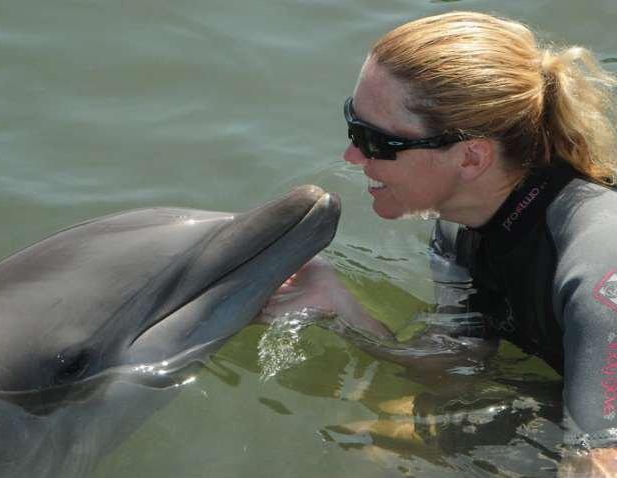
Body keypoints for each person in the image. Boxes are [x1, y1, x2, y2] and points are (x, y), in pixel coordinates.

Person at [263, 11, 617, 477]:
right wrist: (338, 308)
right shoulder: (458, 229)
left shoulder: (598, 263)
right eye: (353, 126)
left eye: (375, 141)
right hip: (573, 409)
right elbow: (454, 367)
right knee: (380, 435)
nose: (350, 156)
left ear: (471, 157)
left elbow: (602, 458)